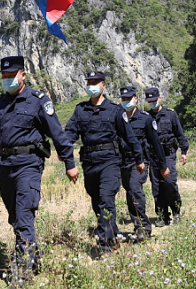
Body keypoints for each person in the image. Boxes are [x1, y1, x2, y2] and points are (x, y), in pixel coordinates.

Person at [0, 56, 78, 285]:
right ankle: (33, 259)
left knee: (24, 215)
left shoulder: (37, 101)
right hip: (5, 167)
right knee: (15, 217)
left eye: (11, 76)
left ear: (22, 75)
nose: (7, 80)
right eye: (4, 76)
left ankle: (21, 273)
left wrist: (69, 163)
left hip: (30, 165)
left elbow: (57, 133)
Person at [64, 71, 144, 256]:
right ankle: (113, 235)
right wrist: (65, 149)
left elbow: (129, 137)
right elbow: (70, 133)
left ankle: (105, 245)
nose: (91, 85)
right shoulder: (80, 109)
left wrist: (139, 159)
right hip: (89, 163)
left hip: (110, 161)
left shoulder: (115, 110)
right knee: (96, 200)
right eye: (89, 82)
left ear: (103, 86)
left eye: (95, 82)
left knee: (106, 199)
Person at [118, 86, 169, 241]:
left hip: (139, 162)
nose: (126, 102)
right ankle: (137, 224)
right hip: (122, 162)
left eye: (129, 99)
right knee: (129, 194)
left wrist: (163, 165)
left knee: (135, 189)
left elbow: (156, 143)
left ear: (136, 99)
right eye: (124, 99)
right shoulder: (117, 118)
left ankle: (144, 228)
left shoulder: (146, 119)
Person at [144, 88, 189, 226]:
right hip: (153, 156)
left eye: (154, 100)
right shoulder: (146, 117)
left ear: (160, 98)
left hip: (168, 154)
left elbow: (179, 133)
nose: (152, 103)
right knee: (157, 187)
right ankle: (163, 216)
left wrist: (183, 151)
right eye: (149, 101)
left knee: (169, 183)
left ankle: (176, 211)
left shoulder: (170, 114)